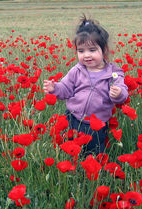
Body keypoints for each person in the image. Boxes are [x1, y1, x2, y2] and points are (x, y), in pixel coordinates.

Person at [43, 15, 129, 155]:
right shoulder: (77, 71)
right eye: (81, 51)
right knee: (70, 150)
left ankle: (92, 174)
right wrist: (55, 88)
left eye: (92, 50)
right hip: (73, 119)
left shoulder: (113, 73)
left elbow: (122, 91)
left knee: (94, 152)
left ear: (104, 50)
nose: (86, 55)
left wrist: (119, 93)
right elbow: (66, 89)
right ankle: (73, 170)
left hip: (97, 125)